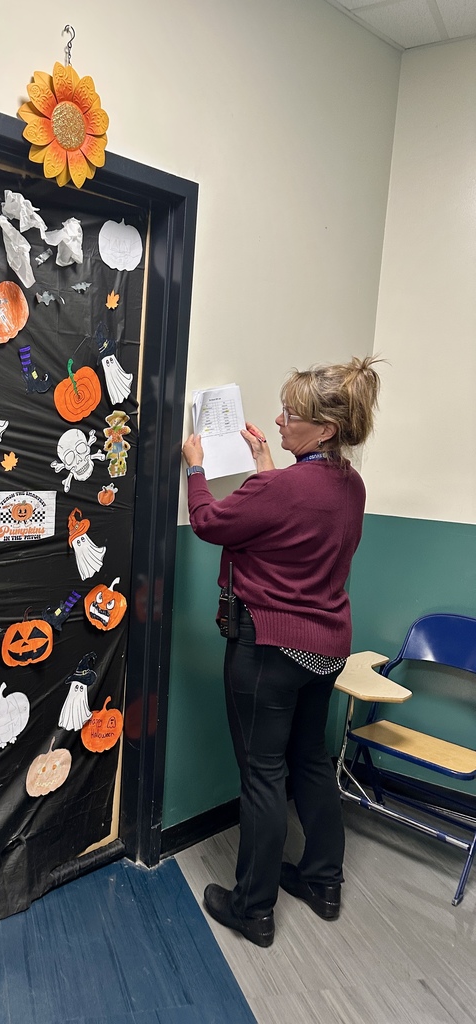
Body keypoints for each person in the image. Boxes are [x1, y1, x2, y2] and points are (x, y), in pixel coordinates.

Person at [181, 355, 382, 948]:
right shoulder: (350, 484)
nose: (278, 419)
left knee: (262, 776)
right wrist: (272, 464)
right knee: (311, 761)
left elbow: (210, 522)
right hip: (325, 648)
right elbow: (297, 530)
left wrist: (196, 469)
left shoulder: (283, 488)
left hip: (270, 648)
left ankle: (254, 909)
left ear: (325, 429)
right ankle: (323, 882)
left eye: (291, 415)